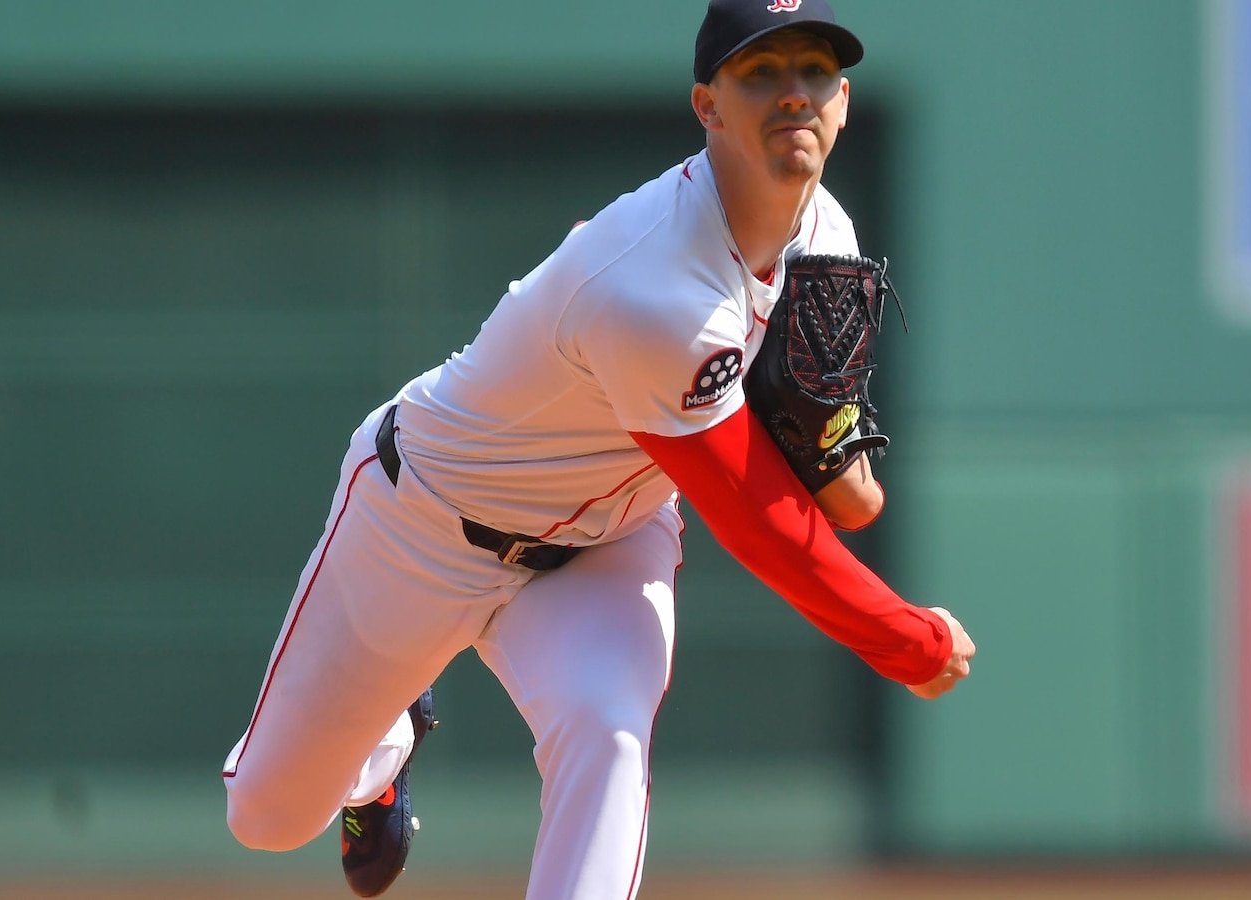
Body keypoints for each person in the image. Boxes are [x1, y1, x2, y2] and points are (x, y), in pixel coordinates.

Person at [221, 1, 978, 897]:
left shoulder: (828, 238)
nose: (793, 95)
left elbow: (843, 492)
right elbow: (756, 520)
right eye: (761, 72)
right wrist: (906, 639)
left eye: (814, 71)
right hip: (422, 520)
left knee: (608, 732)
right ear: (708, 105)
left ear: (844, 100)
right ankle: (382, 753)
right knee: (267, 819)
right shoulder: (654, 283)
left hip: (607, 543)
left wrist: (837, 461)